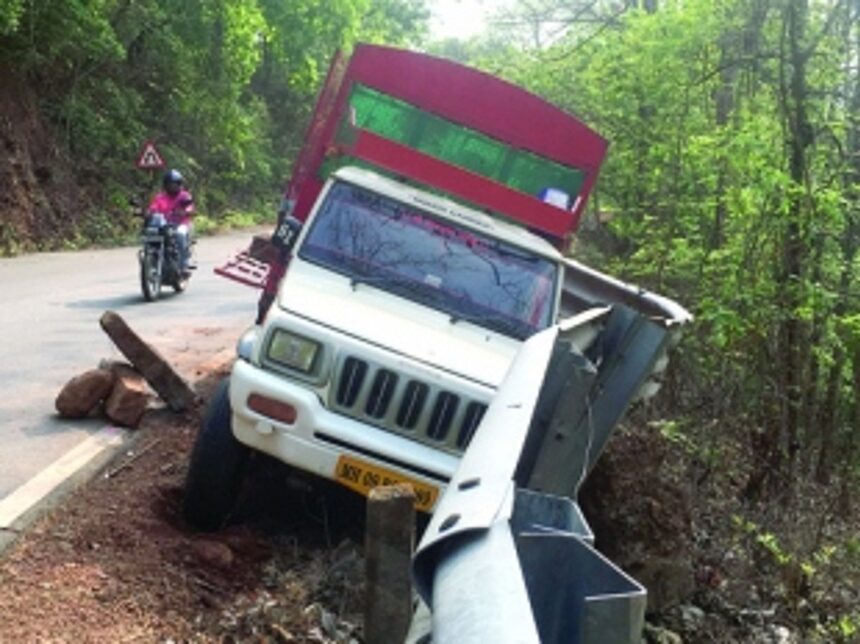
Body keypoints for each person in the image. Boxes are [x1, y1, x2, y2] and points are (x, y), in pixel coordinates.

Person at [148, 169, 195, 274]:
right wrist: (149, 213)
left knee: (180, 235)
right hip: (164, 225)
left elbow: (190, 206)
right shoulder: (160, 197)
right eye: (169, 184)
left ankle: (184, 265)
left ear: (179, 184)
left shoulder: (184, 196)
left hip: (181, 224)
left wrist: (186, 211)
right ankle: (151, 259)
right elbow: (153, 208)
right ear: (165, 185)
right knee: (150, 234)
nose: (172, 186)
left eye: (174, 184)